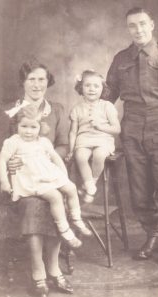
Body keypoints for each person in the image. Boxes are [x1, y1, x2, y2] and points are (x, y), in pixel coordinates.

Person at [104, 7, 158, 271]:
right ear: (128, 28)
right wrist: (86, 87)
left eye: (142, 24)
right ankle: (152, 235)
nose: (138, 30)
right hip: (131, 133)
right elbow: (108, 95)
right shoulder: (121, 59)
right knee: (139, 192)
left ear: (151, 25)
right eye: (132, 25)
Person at [0, 59, 75, 297]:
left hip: (48, 175)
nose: (37, 84)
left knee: (57, 198)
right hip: (21, 181)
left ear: (47, 82)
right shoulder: (9, 111)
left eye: (41, 79)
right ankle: (38, 271)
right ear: (23, 82)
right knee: (33, 204)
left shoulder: (57, 110)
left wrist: (45, 158)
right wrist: (9, 162)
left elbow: (62, 145)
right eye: (31, 79)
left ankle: (53, 267)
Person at [0, 104, 92, 249]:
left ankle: (76, 218)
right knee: (55, 196)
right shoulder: (14, 142)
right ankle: (65, 231)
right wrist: (4, 181)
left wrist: (64, 176)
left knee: (71, 188)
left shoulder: (43, 142)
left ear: (40, 128)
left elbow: (56, 158)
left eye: (33, 127)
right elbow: (1, 160)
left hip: (48, 175)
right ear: (17, 126)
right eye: (24, 126)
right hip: (31, 180)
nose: (28, 131)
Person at [66, 70, 121, 203]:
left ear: (103, 89)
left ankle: (92, 184)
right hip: (83, 139)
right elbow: (73, 132)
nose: (92, 89)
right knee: (80, 156)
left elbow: (117, 129)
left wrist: (101, 127)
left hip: (103, 139)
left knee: (99, 154)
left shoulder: (107, 106)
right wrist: (71, 150)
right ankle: (88, 183)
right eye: (87, 85)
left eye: (96, 86)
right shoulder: (77, 109)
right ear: (81, 88)